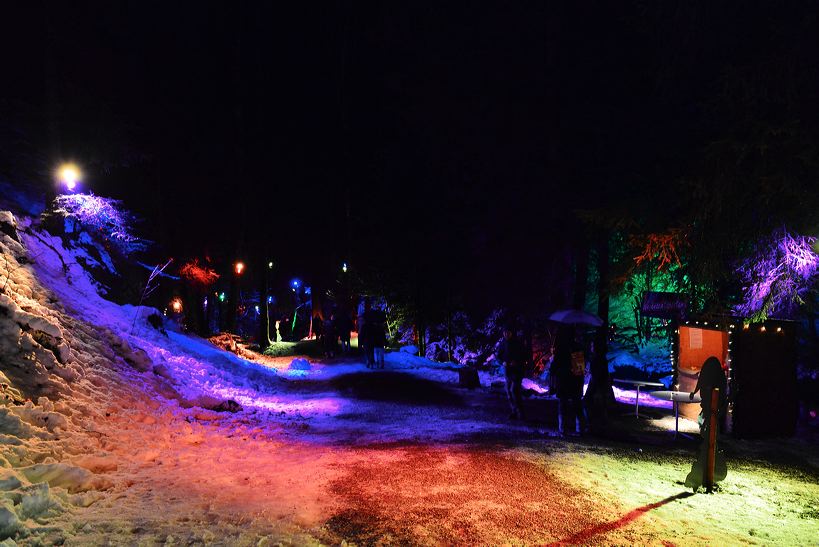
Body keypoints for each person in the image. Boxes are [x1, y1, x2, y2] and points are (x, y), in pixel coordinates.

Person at [552, 324, 587, 436]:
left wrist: (553, 358)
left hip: (563, 381)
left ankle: (563, 430)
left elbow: (555, 367)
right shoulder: (578, 347)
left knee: (563, 405)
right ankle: (580, 429)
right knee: (577, 405)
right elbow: (580, 368)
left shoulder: (560, 349)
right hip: (575, 382)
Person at [496, 327, 528, 420]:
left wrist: (517, 362)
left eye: (508, 332)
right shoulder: (502, 344)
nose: (506, 334)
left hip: (517, 370)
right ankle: (514, 411)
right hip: (507, 370)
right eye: (505, 332)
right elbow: (498, 356)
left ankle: (520, 412)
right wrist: (502, 362)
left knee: (514, 390)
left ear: (511, 333)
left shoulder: (518, 343)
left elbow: (525, 356)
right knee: (508, 391)